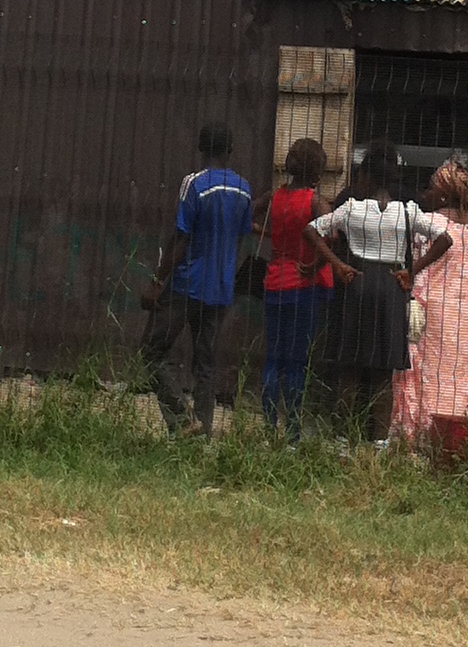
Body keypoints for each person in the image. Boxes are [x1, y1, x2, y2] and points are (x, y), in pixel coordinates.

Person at [307, 145, 450, 440]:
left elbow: (311, 230)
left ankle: (341, 438)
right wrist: (412, 270)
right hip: (391, 288)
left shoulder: (351, 209)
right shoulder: (408, 212)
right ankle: (379, 441)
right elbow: (444, 240)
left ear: (366, 176)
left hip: (356, 284)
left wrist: (337, 264)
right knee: (384, 372)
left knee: (349, 367)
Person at [139, 122, 253, 434]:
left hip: (186, 284)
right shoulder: (243, 189)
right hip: (220, 289)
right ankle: (202, 430)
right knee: (205, 362)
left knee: (151, 351)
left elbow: (181, 237)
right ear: (230, 150)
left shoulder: (194, 184)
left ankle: (182, 417)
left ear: (201, 148)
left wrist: (157, 281)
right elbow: (240, 236)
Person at [392, 160, 468, 446]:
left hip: (430, 311)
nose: (427, 193)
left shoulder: (429, 224)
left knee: (420, 372)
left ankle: (414, 435)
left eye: (432, 188)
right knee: (458, 376)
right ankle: (451, 438)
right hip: (465, 316)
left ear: (444, 194)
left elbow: (416, 268)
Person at [254, 136, 333, 437]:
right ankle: (293, 430)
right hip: (304, 285)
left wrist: (265, 232)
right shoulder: (315, 202)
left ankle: (268, 426)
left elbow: (248, 213)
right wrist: (316, 264)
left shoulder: (275, 197)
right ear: (316, 170)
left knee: (273, 357)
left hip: (274, 282)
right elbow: (332, 237)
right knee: (296, 361)